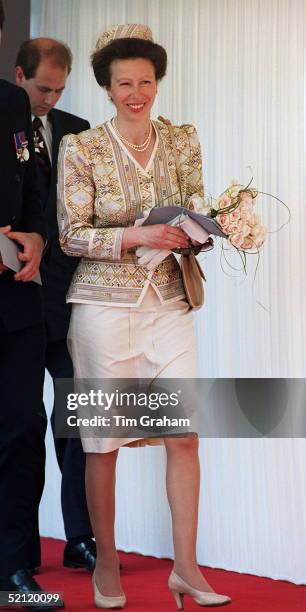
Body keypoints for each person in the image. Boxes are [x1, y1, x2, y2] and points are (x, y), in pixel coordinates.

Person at [57, 24, 231, 609]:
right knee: (102, 442)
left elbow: (196, 209)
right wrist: (138, 234)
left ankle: (187, 568)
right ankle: (106, 564)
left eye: (146, 82)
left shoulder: (183, 140)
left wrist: (203, 232)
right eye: (124, 83)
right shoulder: (80, 148)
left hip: (170, 304)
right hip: (102, 310)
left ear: (158, 82)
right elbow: (70, 236)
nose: (137, 92)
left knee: (185, 437)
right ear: (106, 87)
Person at [15, 37, 96, 572]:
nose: (49, 98)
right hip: (18, 298)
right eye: (42, 87)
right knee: (22, 427)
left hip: (70, 300)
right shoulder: (4, 126)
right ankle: (19, 550)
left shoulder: (77, 132)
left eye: (59, 89)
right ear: (20, 75)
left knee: (79, 421)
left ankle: (81, 538)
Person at [0, 3, 62, 608]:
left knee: (23, 428)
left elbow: (35, 188)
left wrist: (37, 233)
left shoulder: (14, 105)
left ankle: (14, 567)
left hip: (16, 297)